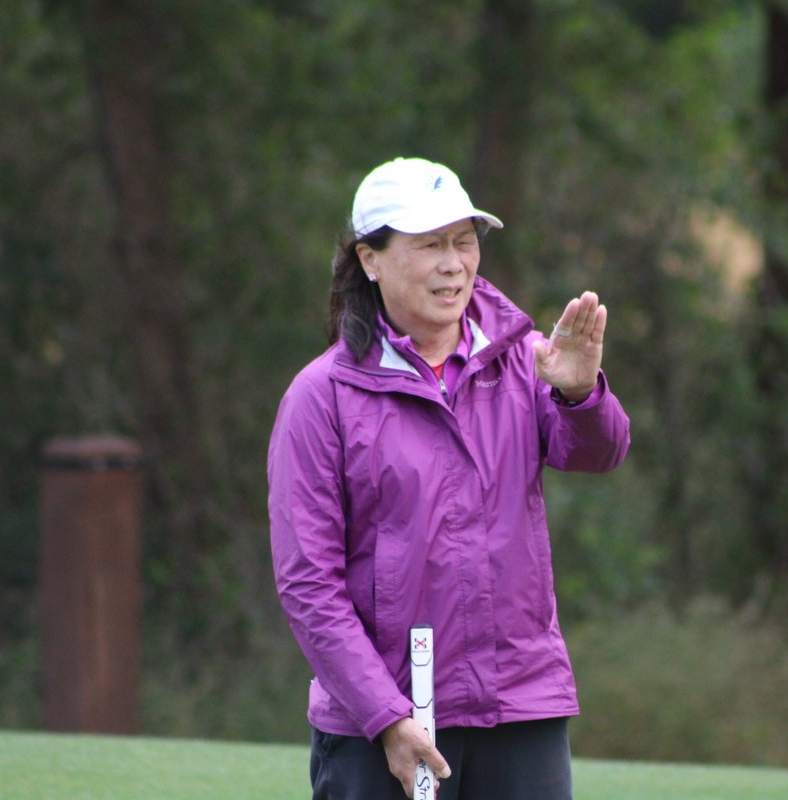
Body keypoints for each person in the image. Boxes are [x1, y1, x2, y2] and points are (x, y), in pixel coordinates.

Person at [267, 156, 631, 800]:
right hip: (378, 726)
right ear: (369, 260)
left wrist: (580, 394)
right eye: (430, 244)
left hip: (520, 708)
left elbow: (598, 454)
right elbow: (308, 584)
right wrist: (386, 717)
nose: (454, 263)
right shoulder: (320, 396)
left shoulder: (524, 361)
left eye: (464, 242)